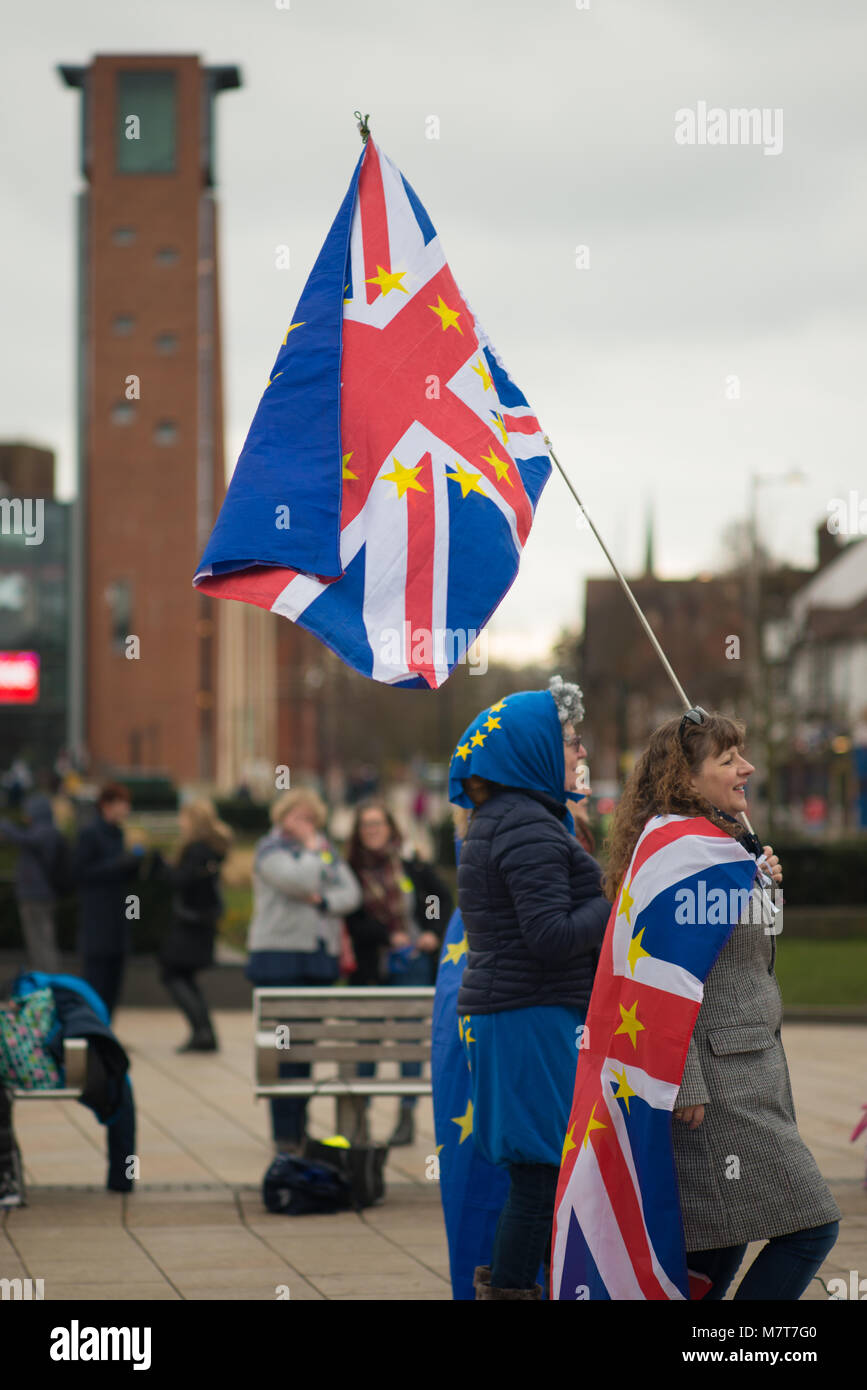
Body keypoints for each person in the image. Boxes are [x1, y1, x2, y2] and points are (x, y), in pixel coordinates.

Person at [601, 708, 840, 1300]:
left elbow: (737, 952)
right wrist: (683, 1080)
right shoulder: (684, 852)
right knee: (812, 1224)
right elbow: (662, 971)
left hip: (750, 1069)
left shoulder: (718, 842)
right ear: (687, 778)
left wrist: (761, 887)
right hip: (718, 1084)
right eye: (729, 759)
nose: (747, 768)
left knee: (715, 1247)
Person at [453, 674, 610, 1300]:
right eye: (569, 741)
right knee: (540, 1173)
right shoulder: (529, 826)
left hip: (518, 1011)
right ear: (533, 752)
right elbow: (548, 935)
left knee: (538, 1171)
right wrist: (614, 895)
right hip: (531, 1013)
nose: (579, 753)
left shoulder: (511, 818)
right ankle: (516, 1289)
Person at [245, 789, 361, 1152]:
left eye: (311, 818)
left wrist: (324, 900)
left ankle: (299, 1130)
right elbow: (300, 881)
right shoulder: (270, 851)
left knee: (305, 1052)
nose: (306, 825)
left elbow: (351, 894)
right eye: (298, 817)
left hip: (316, 960)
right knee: (283, 1052)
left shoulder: (324, 851)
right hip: (278, 959)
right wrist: (313, 855)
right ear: (282, 818)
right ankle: (284, 1134)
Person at [345, 799, 453, 1146]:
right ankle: (361, 1114)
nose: (373, 831)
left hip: (411, 963)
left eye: (378, 823)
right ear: (358, 834)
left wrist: (430, 933)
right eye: (366, 826)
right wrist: (387, 936)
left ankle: (406, 1116)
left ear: (391, 827)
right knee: (367, 1042)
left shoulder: (411, 867)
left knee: (409, 1041)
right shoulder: (349, 871)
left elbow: (440, 898)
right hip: (371, 967)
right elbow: (353, 921)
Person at [157, 799, 232, 1053]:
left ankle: (202, 1032)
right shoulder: (212, 849)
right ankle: (204, 1032)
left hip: (190, 922)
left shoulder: (196, 850)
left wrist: (163, 868)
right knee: (185, 976)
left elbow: (180, 881)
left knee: (172, 973)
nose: (180, 822)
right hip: (202, 922)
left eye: (184, 818)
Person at [74, 783, 145, 1020]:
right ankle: (92, 1031)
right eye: (122, 803)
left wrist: (136, 865)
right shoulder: (90, 834)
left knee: (115, 984)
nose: (127, 809)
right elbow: (82, 873)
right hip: (98, 922)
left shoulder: (119, 834)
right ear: (106, 805)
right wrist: (120, 863)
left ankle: (106, 1030)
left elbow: (130, 890)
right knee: (96, 983)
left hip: (119, 922)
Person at [0, 793, 65, 972]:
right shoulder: (42, 830)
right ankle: (43, 979)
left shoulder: (44, 831)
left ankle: (49, 980)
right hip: (34, 895)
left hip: (39, 896)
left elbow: (26, 840)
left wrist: (6, 825)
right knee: (37, 943)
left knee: (42, 942)